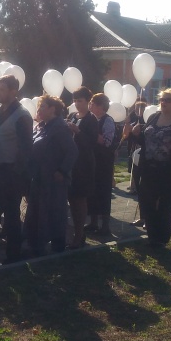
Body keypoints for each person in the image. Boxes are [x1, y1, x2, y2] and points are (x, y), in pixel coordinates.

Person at [0, 75, 33, 267]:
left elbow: (26, 149)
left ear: (13, 91)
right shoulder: (0, 111)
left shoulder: (22, 115)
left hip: (10, 172)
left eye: (2, 89)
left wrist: (17, 175)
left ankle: (10, 255)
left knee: (8, 215)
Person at [131, 88, 171, 247]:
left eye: (168, 100)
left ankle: (162, 238)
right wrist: (136, 134)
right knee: (147, 202)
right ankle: (152, 236)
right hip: (149, 168)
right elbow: (145, 142)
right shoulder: (153, 117)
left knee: (166, 204)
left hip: (170, 170)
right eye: (162, 99)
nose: (163, 102)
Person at [25, 95, 77, 256]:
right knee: (38, 212)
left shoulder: (60, 128)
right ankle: (36, 244)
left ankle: (56, 245)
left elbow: (72, 151)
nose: (39, 109)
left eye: (42, 106)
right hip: (40, 177)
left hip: (53, 179)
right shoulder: (43, 126)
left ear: (52, 109)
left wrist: (62, 171)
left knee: (54, 212)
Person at [66, 87, 98, 248]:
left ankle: (79, 234)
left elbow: (91, 143)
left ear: (87, 101)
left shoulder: (91, 119)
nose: (77, 104)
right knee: (71, 199)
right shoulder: (72, 116)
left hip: (83, 164)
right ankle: (75, 232)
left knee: (79, 199)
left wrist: (77, 131)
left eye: (80, 101)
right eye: (75, 101)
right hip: (70, 162)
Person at [86, 93, 116, 236]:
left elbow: (107, 142)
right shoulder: (90, 119)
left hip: (103, 162)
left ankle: (105, 225)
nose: (90, 106)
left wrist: (89, 133)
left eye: (92, 104)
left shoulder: (107, 120)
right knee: (92, 191)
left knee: (103, 192)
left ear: (101, 106)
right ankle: (93, 222)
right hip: (91, 160)